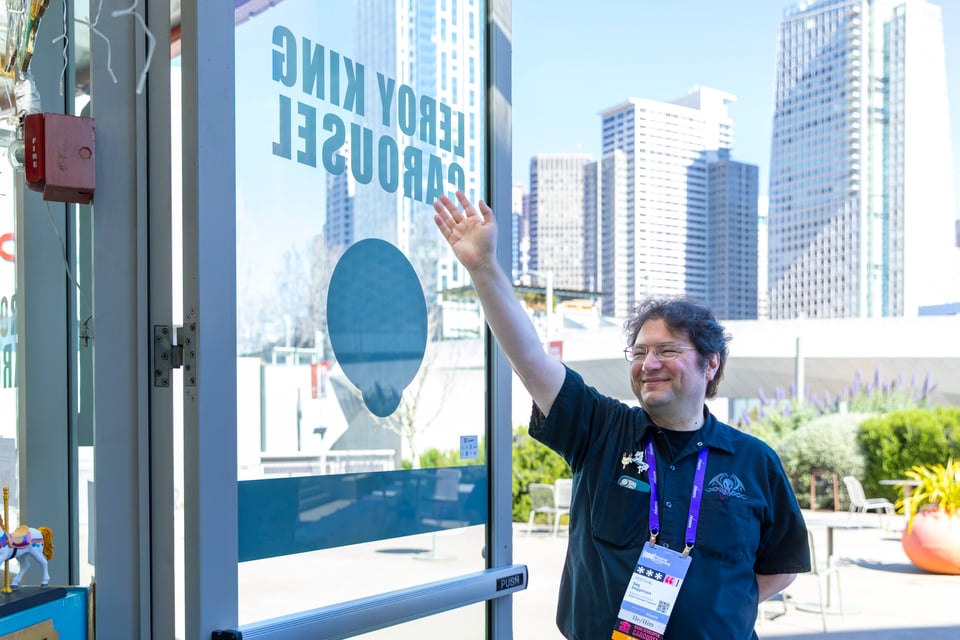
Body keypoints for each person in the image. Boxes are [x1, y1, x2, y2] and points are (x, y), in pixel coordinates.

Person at [433, 191, 810, 640]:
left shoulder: (754, 461)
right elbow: (530, 359)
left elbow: (781, 567)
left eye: (667, 350)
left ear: (711, 364)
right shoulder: (600, 430)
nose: (649, 364)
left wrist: (719, 609)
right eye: (640, 352)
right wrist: (483, 268)